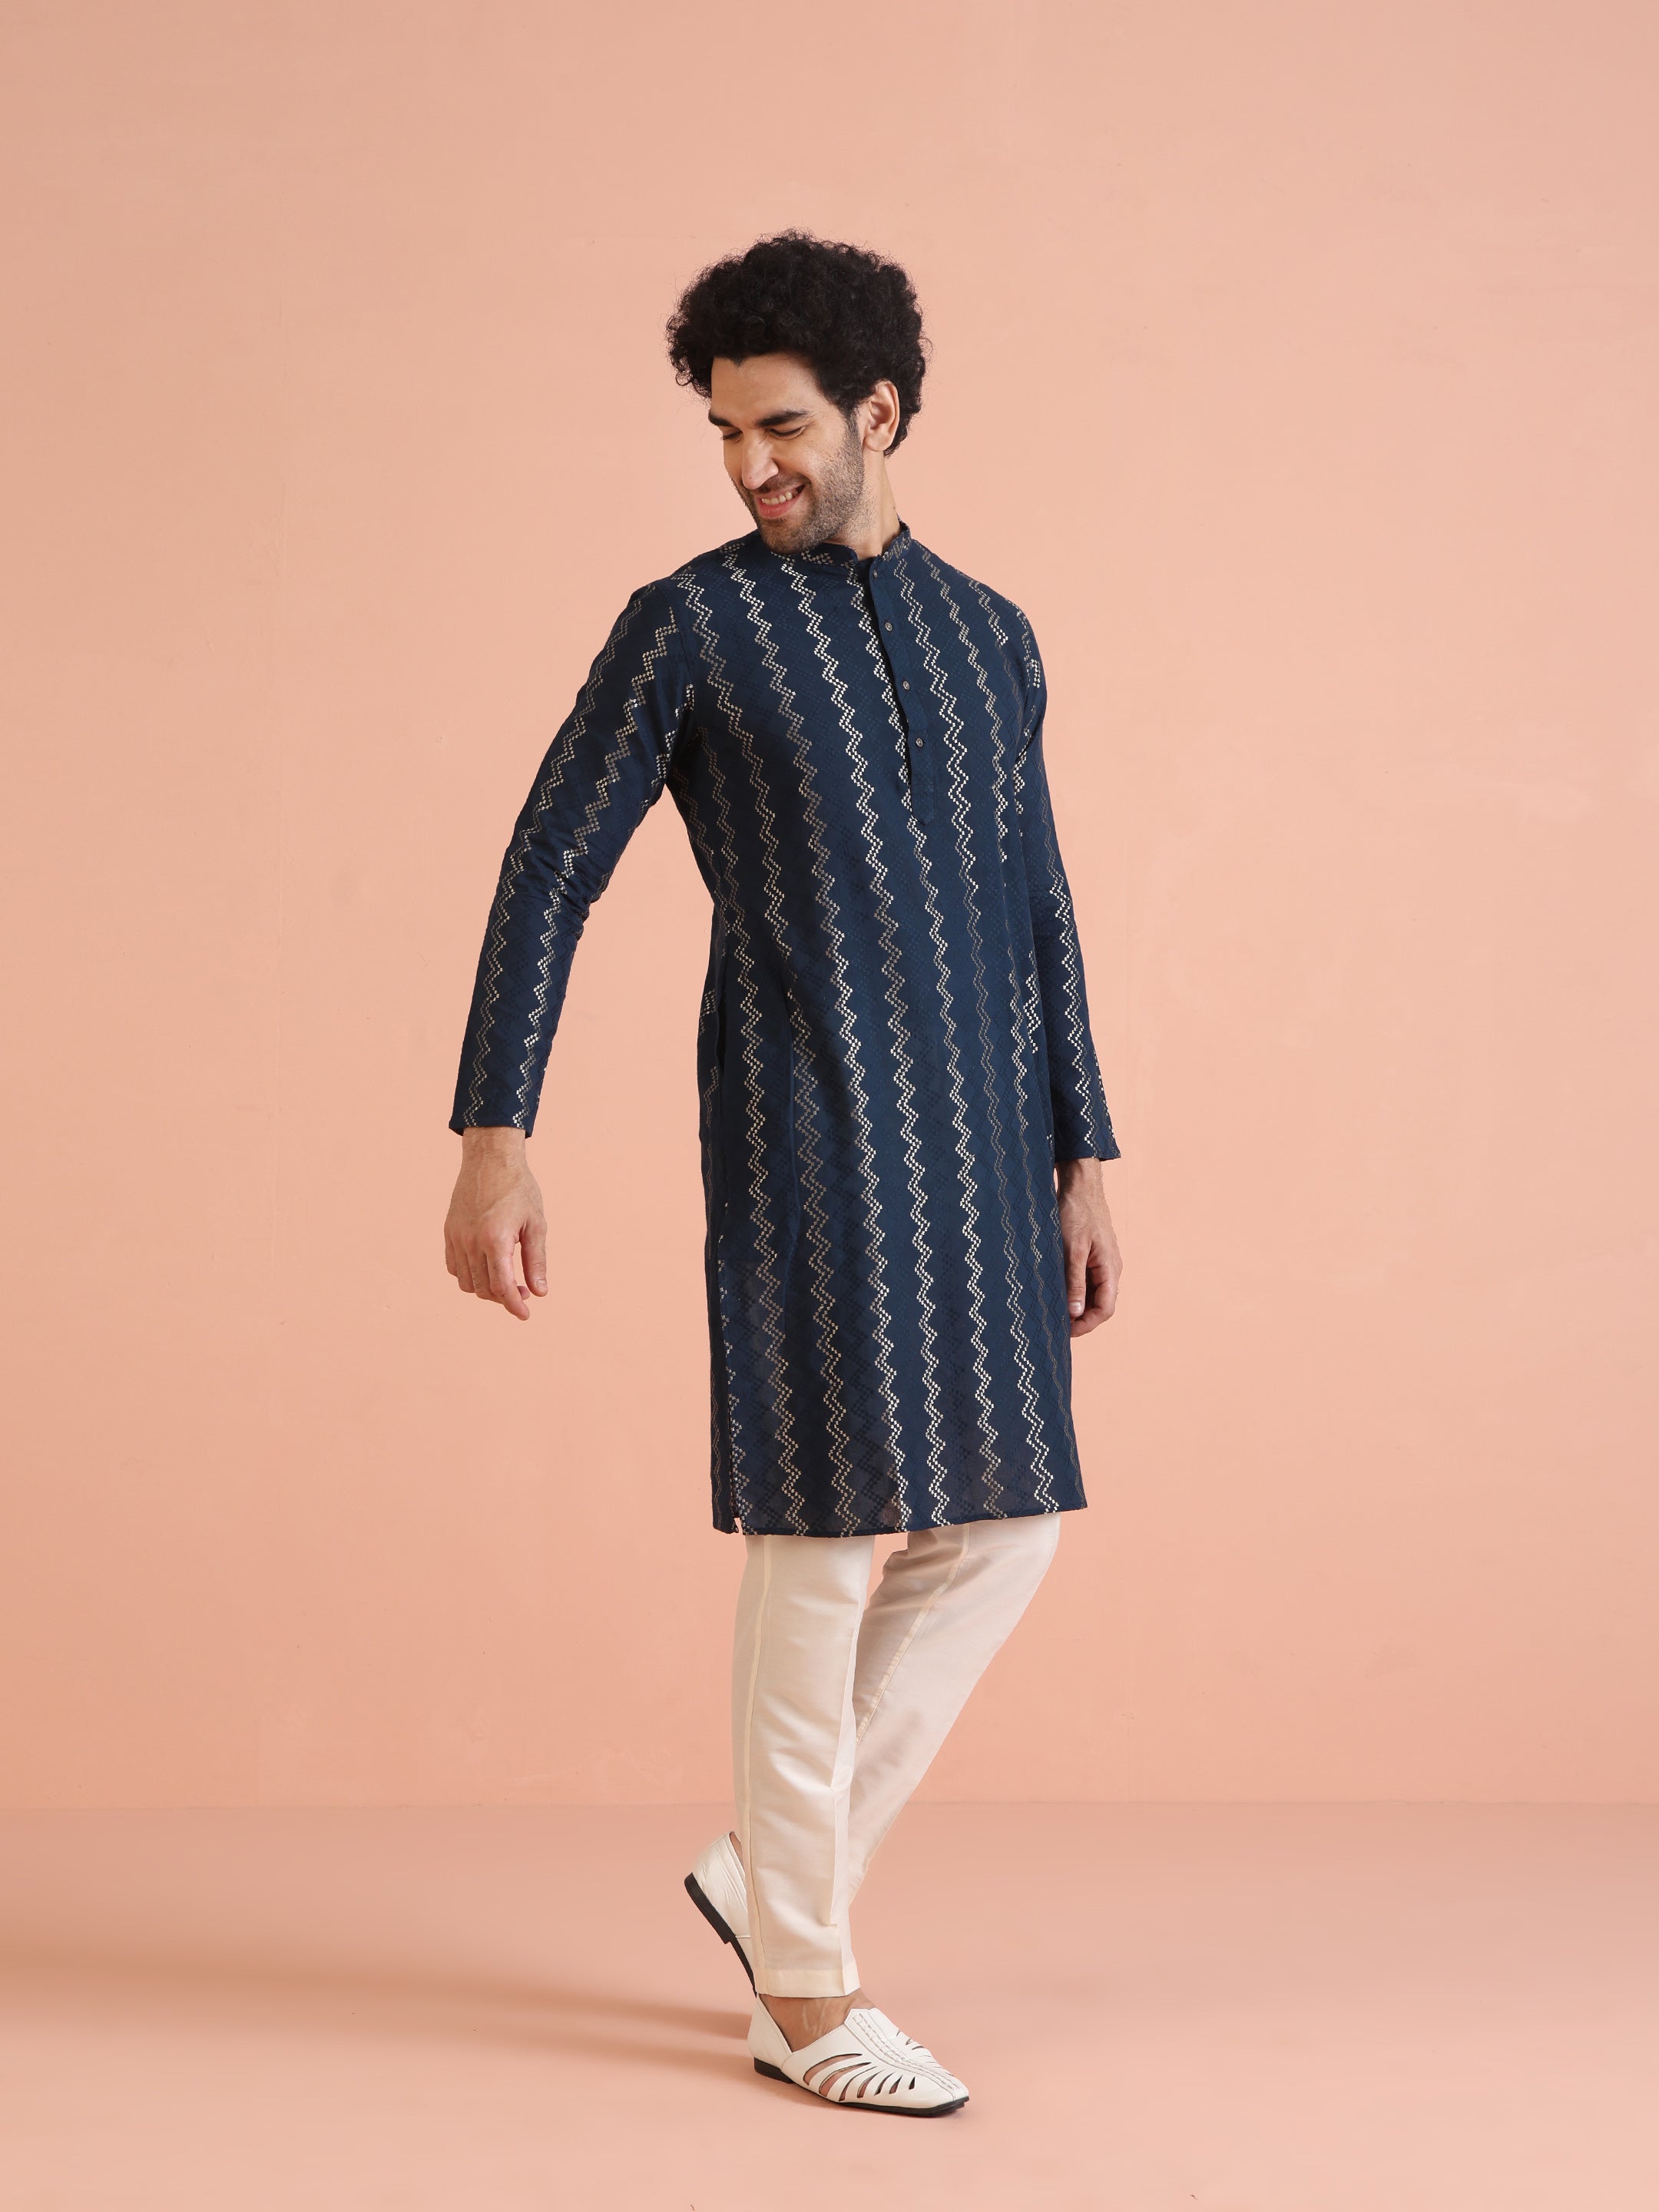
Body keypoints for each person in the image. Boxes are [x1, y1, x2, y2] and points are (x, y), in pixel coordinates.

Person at [443, 230, 1123, 2116]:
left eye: (784, 429)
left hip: (987, 1142)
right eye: (727, 436)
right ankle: (806, 1993)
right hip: (808, 1123)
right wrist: (496, 1130)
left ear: (879, 413)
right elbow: (549, 865)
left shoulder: (994, 636)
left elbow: (1041, 906)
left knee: (1006, 1528)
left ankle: (765, 1875)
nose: (751, 467)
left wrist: (1083, 1149)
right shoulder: (692, 626)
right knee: (823, 1543)